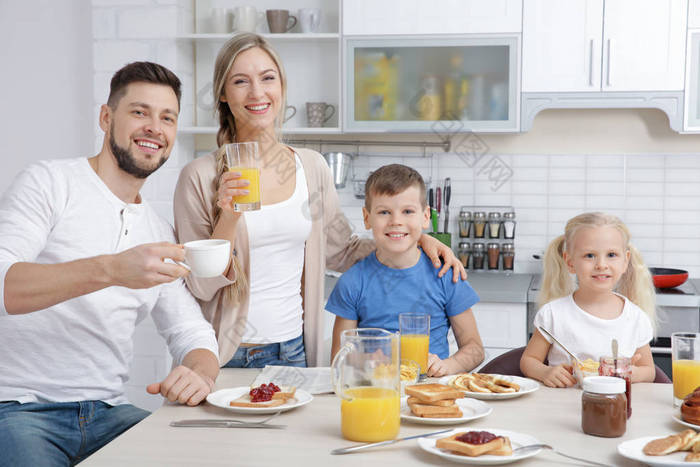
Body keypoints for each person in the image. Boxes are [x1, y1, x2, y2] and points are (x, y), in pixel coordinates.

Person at [173, 33, 465, 369]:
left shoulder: (311, 167)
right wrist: (229, 216)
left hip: (295, 352)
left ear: (281, 86)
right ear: (223, 94)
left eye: (268, 78)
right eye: (241, 81)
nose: (257, 92)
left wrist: (416, 239)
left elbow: (342, 251)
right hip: (225, 356)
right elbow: (199, 285)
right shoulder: (199, 176)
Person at [0, 62, 220, 467]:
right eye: (140, 112)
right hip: (18, 409)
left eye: (166, 118)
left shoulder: (156, 230)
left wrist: (199, 374)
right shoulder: (50, 183)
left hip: (108, 414)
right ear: (106, 117)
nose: (154, 127)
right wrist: (112, 270)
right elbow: (3, 286)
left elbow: (192, 332)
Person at [326, 164, 484, 377]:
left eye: (408, 211)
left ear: (425, 216)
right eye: (384, 212)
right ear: (367, 218)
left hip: (430, 393)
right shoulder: (352, 282)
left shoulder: (446, 274)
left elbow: (474, 350)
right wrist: (364, 362)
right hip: (375, 392)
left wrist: (449, 365)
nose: (396, 221)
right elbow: (339, 359)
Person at [520, 212, 657, 387]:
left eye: (611, 255)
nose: (601, 264)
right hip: (559, 406)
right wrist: (545, 372)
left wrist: (632, 372)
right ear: (570, 263)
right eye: (590, 256)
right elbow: (529, 360)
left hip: (615, 407)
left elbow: (649, 370)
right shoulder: (553, 314)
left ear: (625, 261)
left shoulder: (636, 318)